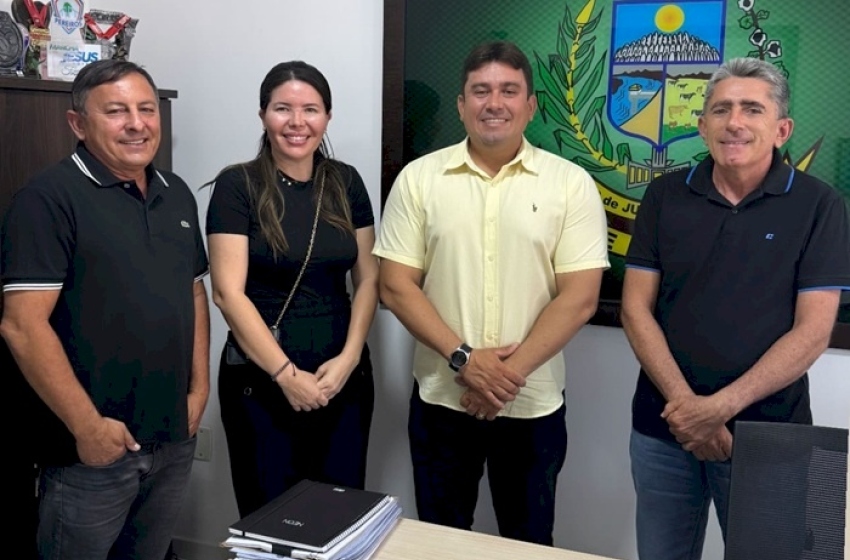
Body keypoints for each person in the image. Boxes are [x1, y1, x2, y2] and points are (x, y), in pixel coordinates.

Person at [374, 40, 609, 545]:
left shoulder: (570, 184)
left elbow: (581, 297)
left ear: (531, 106)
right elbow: (395, 287)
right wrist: (465, 359)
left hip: (531, 406)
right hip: (442, 400)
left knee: (527, 543)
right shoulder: (418, 180)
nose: (493, 103)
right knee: (441, 540)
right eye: (480, 91)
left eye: (508, 90)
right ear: (461, 104)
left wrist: (504, 375)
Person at [621, 57, 850, 560]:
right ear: (702, 126)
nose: (735, 123)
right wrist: (689, 412)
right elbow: (636, 310)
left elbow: (812, 333)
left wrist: (715, 411)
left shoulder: (819, 204)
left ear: (781, 128)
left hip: (772, 436)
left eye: (752, 109)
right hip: (664, 429)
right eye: (721, 109)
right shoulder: (663, 196)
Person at [0, 59, 210, 560]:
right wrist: (88, 427)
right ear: (78, 123)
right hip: (91, 453)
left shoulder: (175, 194)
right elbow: (21, 326)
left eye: (146, 109)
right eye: (116, 111)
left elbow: (194, 294)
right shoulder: (46, 201)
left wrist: (199, 391)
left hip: (172, 437)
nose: (137, 124)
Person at [206, 60, 379, 518]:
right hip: (261, 384)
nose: (297, 122)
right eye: (283, 108)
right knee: (271, 521)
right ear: (263, 114)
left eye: (311, 109)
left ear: (327, 116)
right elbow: (227, 293)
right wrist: (286, 375)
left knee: (338, 517)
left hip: (342, 380)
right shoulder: (237, 185)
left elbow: (367, 279)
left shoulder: (346, 182)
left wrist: (349, 358)